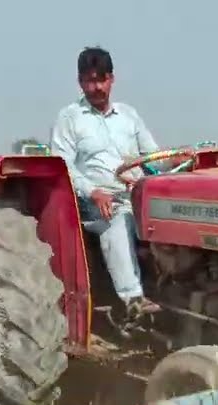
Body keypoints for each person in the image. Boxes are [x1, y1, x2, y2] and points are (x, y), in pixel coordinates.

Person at [49, 46, 161, 318]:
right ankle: (133, 298)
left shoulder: (128, 115)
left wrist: (180, 162)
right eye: (89, 80)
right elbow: (63, 166)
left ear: (112, 79)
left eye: (101, 79)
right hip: (94, 203)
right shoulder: (70, 118)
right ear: (80, 82)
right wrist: (93, 191)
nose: (96, 87)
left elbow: (154, 156)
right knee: (119, 220)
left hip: (135, 194)